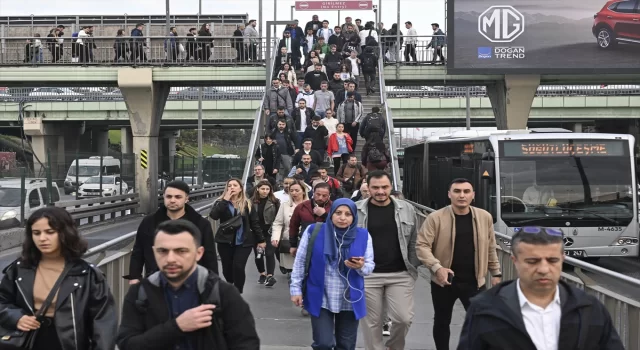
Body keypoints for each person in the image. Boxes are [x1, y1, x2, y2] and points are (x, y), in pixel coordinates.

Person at [457, 226, 625, 350]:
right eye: (532, 261)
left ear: (562, 258)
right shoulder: (484, 310)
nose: (544, 269)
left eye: (552, 261)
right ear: (514, 260)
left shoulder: (590, 309)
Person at [116, 220, 261, 350]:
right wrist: (177, 326)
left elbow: (246, 344)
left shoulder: (223, 294)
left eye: (181, 251)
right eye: (163, 251)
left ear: (199, 253)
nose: (170, 259)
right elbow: (127, 344)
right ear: (154, 252)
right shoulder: (140, 293)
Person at [0, 207, 117, 350]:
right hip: (27, 341)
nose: (42, 238)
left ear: (65, 233)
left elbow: (103, 323)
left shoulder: (87, 274)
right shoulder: (19, 269)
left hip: (70, 343)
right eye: (36, 233)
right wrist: (16, 317)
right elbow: (2, 302)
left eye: (50, 232)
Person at [416, 178, 502, 350]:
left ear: (473, 195)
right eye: (457, 191)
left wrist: (496, 273)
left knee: (479, 322)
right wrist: (437, 268)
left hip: (475, 281)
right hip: (444, 280)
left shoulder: (484, 217)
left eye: (466, 191)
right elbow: (422, 246)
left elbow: (491, 246)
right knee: (442, 320)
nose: (461, 195)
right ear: (449, 194)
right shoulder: (435, 218)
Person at [290, 199, 375, 350]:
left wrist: (360, 267)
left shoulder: (363, 235)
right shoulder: (313, 231)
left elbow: (369, 267)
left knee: (346, 345)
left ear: (354, 217)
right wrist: (295, 289)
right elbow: (300, 262)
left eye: (348, 214)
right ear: (331, 214)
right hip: (321, 296)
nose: (343, 218)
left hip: (350, 297)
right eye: (338, 213)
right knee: (323, 343)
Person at [356, 171, 422, 350]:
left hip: (400, 273)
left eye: (384, 187)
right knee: (371, 323)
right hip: (368, 275)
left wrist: (413, 267)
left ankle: (393, 347)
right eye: (375, 188)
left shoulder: (406, 209)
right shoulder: (356, 210)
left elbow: (415, 240)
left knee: (403, 319)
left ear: (391, 187)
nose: (380, 191)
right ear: (367, 188)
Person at [127, 181, 218, 283]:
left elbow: (210, 256)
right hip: (156, 282)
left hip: (192, 283)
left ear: (186, 198)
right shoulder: (149, 222)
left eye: (178, 197)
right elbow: (138, 251)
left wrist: (213, 282)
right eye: (169, 197)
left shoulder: (201, 224)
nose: (172, 200)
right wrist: (134, 276)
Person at [210, 178, 266, 294]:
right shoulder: (220, 202)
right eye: (229, 185)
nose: (232, 188)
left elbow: (254, 223)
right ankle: (230, 284)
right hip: (225, 241)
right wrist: (225, 200)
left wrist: (261, 240)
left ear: (240, 188)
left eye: (235, 185)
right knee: (227, 268)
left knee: (239, 266)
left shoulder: (247, 203)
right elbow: (214, 216)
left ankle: (237, 291)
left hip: (243, 241)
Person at [272, 180, 309, 279]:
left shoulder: (311, 205)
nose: (294, 193)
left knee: (306, 271)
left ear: (303, 191)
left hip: (306, 241)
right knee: (292, 273)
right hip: (289, 240)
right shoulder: (285, 205)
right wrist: (275, 237)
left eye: (297, 190)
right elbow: (278, 223)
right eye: (291, 190)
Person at [289, 182, 334, 255]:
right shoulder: (302, 207)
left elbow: (337, 226)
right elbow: (293, 226)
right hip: (305, 243)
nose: (320, 198)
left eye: (324, 196)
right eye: (318, 194)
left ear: (329, 195)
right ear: (313, 192)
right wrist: (293, 245)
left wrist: (324, 215)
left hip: (326, 244)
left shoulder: (334, 207)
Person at [251, 180, 281, 287]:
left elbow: (278, 217)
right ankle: (262, 273)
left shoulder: (275, 202)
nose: (265, 191)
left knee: (269, 253)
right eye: (263, 189)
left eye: (267, 189)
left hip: (270, 231)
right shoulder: (251, 202)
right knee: (258, 255)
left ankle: (270, 276)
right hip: (255, 232)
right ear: (257, 189)